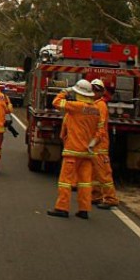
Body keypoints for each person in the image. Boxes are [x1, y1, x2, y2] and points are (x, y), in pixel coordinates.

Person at [47, 79, 100, 219]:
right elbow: (98, 131)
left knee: (65, 180)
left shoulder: (76, 106)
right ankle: (84, 209)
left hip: (73, 151)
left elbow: (56, 102)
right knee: (85, 183)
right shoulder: (95, 109)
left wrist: (66, 90)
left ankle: (62, 208)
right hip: (87, 152)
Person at [89, 78, 120, 209]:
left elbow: (101, 128)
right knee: (95, 174)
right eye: (93, 89)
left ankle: (110, 199)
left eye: (97, 90)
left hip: (100, 146)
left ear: (102, 91)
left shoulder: (101, 106)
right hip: (95, 146)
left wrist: (94, 141)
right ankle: (96, 195)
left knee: (104, 174)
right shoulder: (94, 104)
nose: (94, 92)